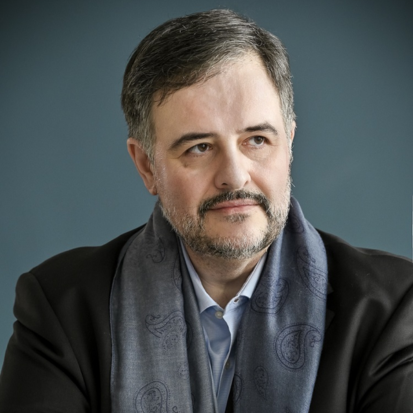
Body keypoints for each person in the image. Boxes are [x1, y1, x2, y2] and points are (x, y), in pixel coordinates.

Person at [0, 9, 412, 413]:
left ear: (288, 144)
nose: (234, 176)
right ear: (147, 166)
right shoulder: (60, 308)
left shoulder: (394, 307)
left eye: (257, 140)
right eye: (199, 147)